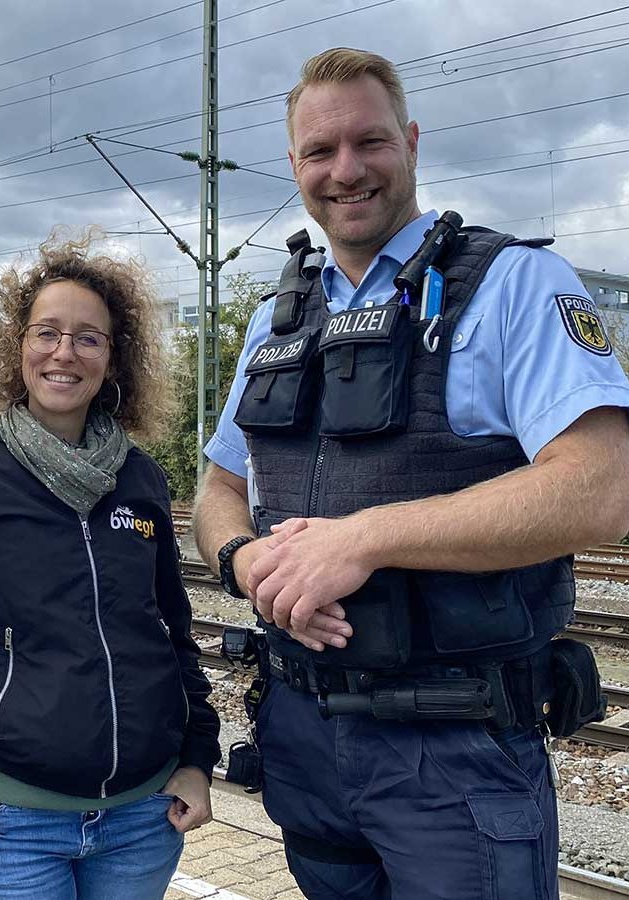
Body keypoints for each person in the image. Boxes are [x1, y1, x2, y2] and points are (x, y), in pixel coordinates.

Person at [193, 47, 629, 900]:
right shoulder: (273, 319)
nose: (345, 169)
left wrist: (366, 539)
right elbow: (216, 489)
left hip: (455, 749)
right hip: (303, 735)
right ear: (293, 166)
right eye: (319, 152)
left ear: (413, 142)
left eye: (370, 142)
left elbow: (601, 485)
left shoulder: (514, 284)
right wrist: (243, 562)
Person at [0, 234, 221, 900]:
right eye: (47, 332)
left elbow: (172, 634)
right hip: (9, 824)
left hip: (141, 819)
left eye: (87, 338)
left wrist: (195, 760)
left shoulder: (139, 479)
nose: (64, 353)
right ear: (17, 347)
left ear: (113, 357)